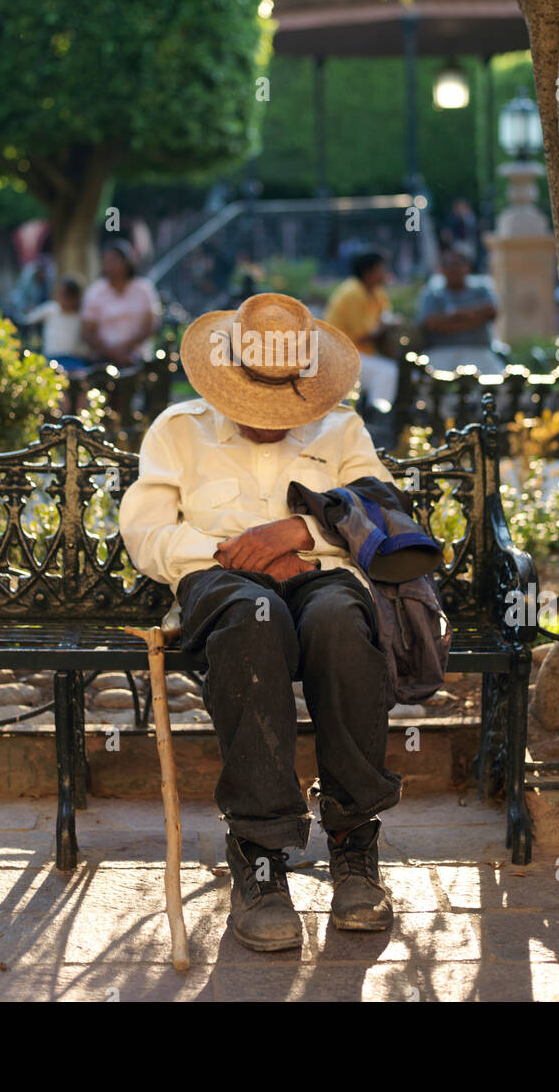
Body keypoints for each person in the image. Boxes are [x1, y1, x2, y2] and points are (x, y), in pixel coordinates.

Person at [120, 293, 402, 953]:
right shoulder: (177, 430)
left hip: (320, 574)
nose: (269, 420)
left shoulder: (342, 430)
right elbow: (147, 533)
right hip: (220, 582)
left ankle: (352, 839)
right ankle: (262, 853)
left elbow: (383, 516)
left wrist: (296, 530)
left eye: (285, 407)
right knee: (253, 616)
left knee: (340, 622)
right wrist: (235, 554)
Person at [323, 251, 398, 406]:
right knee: (387, 371)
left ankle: (372, 410)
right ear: (368, 272)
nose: (384, 273)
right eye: (381, 269)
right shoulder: (353, 293)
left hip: (361, 353)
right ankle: (378, 412)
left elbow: (386, 315)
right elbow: (362, 335)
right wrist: (385, 327)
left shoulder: (376, 291)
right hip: (340, 356)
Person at [416, 247, 503, 372]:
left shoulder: (482, 288)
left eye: (458, 264)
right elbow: (431, 323)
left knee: (498, 381)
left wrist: (453, 316)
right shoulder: (432, 292)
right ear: (442, 269)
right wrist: (472, 318)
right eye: (449, 265)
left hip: (479, 351)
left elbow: (491, 311)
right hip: (441, 352)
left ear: (468, 267)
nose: (454, 269)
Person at [80, 240, 161, 368]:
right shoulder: (94, 292)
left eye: (114, 261)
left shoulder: (144, 289)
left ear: (126, 262)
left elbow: (151, 326)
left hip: (139, 358)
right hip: (103, 361)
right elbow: (88, 333)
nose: (109, 265)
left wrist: (127, 348)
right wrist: (114, 354)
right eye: (106, 261)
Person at [25, 276, 91, 373]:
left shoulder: (81, 316)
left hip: (75, 361)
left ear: (75, 298)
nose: (59, 298)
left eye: (65, 295)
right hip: (51, 359)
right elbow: (27, 320)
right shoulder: (51, 309)